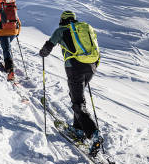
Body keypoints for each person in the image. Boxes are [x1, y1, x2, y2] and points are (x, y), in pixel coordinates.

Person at [39, 10, 103, 154]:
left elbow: (48, 47)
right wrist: (91, 66)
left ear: (62, 20)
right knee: (78, 98)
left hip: (75, 68)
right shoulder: (86, 29)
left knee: (77, 103)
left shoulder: (61, 30)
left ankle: (93, 133)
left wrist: (42, 52)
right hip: (91, 67)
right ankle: (78, 129)